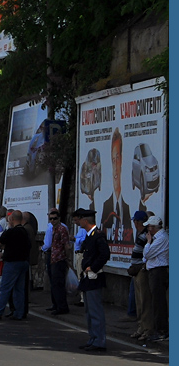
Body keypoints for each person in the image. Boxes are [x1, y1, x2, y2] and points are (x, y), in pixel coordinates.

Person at [73, 208, 110, 351]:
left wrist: (93, 268)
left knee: (95, 311)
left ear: (85, 220)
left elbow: (105, 254)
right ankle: (93, 337)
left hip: (94, 277)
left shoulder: (97, 236)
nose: (78, 222)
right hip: (87, 278)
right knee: (89, 311)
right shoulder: (90, 236)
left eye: (80, 219)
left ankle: (99, 340)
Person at [0, 210, 30, 321]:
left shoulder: (11, 232)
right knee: (19, 289)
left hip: (12, 262)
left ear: (12, 219)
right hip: (23, 262)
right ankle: (19, 313)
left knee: (5, 288)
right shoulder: (24, 231)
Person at [101, 129, 132, 246]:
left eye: (117, 159)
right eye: (113, 160)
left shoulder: (127, 208)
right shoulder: (106, 207)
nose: (115, 166)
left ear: (122, 160)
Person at [129, 211, 154, 342]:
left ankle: (147, 328)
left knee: (144, 300)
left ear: (137, 222)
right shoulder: (141, 234)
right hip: (136, 270)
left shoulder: (146, 235)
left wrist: (143, 266)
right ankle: (141, 326)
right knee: (139, 301)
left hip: (142, 270)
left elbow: (148, 252)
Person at [142, 215, 168, 342]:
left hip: (159, 271)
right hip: (154, 271)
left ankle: (162, 331)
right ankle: (159, 329)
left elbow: (147, 254)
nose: (148, 229)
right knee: (156, 301)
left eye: (149, 227)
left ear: (154, 227)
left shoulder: (161, 238)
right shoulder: (158, 238)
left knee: (159, 302)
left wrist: (148, 242)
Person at [44, 209, 71, 316]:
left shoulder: (62, 229)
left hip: (59, 259)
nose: (53, 220)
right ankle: (56, 304)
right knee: (54, 283)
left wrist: (67, 259)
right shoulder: (53, 229)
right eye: (51, 218)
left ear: (59, 218)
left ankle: (62, 306)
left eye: (55, 218)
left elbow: (66, 245)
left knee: (58, 284)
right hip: (53, 258)